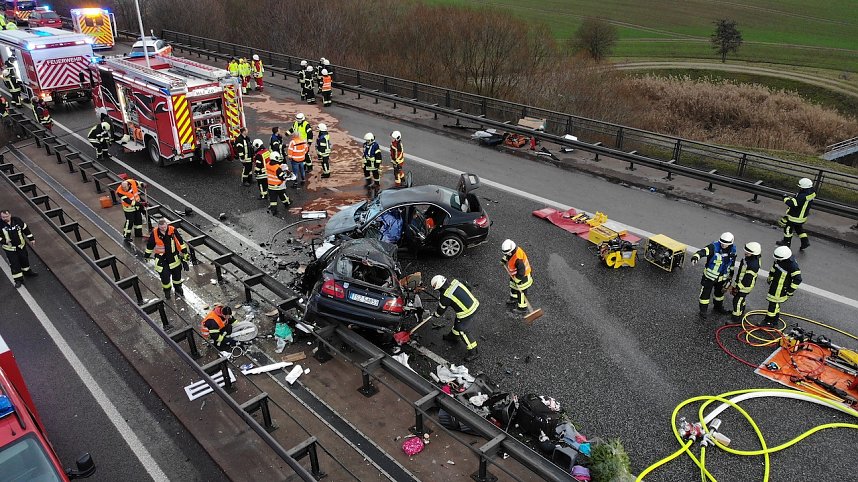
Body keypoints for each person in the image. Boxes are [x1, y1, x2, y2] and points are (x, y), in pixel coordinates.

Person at [431, 275, 480, 362]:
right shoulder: (456, 281)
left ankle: (474, 352)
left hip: (467, 312)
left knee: (462, 330)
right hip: (474, 303)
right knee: (458, 322)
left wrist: (435, 315)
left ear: (438, 287)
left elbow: (440, 311)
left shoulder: (445, 296)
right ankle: (453, 336)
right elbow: (468, 286)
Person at [690, 232, 737, 317]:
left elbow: (731, 264)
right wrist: (696, 257)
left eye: (725, 243)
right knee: (705, 294)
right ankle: (703, 311)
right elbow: (703, 251)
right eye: (722, 243)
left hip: (722, 278)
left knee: (719, 295)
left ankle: (718, 307)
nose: (723, 245)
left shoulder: (733, 250)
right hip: (709, 277)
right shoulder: (713, 247)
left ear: (730, 243)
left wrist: (730, 277)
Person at [144, 218, 189, 300]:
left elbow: (180, 242)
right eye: (162, 228)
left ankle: (178, 289)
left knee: (177, 277)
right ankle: (167, 292)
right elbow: (150, 245)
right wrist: (146, 255)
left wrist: (185, 255)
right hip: (162, 260)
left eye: (165, 227)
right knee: (165, 278)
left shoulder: (172, 230)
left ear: (167, 225)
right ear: (159, 227)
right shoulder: (155, 233)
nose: (164, 229)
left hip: (173, 258)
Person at [764, 246, 802, 327]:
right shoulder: (779, 260)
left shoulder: (792, 266)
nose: (777, 260)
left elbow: (798, 279)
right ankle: (774, 321)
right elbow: (774, 267)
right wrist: (770, 276)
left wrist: (790, 291)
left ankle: (768, 321)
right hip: (775, 285)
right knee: (775, 305)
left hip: (781, 289)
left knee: (773, 305)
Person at [1, 209, 36, 288]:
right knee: (14, 264)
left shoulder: (17, 220)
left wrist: (31, 239)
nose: (5, 218)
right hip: (10, 249)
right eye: (3, 217)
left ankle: (27, 272)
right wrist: (4, 241)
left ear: (10, 215)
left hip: (21, 246)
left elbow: (25, 229)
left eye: (6, 216)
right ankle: (18, 280)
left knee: (24, 260)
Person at [778, 178, 816, 251]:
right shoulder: (812, 192)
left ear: (803, 187)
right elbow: (798, 201)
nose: (799, 188)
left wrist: (785, 198)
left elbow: (792, 204)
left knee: (788, 228)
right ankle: (805, 242)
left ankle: (786, 243)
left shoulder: (802, 196)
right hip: (803, 216)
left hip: (795, 216)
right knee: (799, 228)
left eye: (800, 186)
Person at [730, 241, 761, 324]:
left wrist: (737, 287)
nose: (745, 253)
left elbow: (747, 279)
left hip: (744, 286)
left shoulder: (753, 265)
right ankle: (741, 311)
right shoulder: (750, 259)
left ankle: (735, 318)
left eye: (748, 252)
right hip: (741, 283)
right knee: (741, 299)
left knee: (737, 300)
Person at [502, 239, 533, 313]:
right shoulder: (511, 251)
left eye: (508, 253)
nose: (507, 254)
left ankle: (522, 308)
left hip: (523, 277)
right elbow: (507, 256)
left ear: (511, 250)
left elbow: (522, 272)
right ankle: (513, 298)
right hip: (515, 275)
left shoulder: (518, 258)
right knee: (513, 286)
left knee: (521, 292)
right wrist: (503, 261)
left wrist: (517, 279)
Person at [266, 151, 292, 216]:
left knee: (273, 199)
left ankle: (274, 210)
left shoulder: (268, 164)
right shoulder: (277, 168)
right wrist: (288, 175)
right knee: (283, 195)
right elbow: (282, 177)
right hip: (278, 186)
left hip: (270, 186)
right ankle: (287, 203)